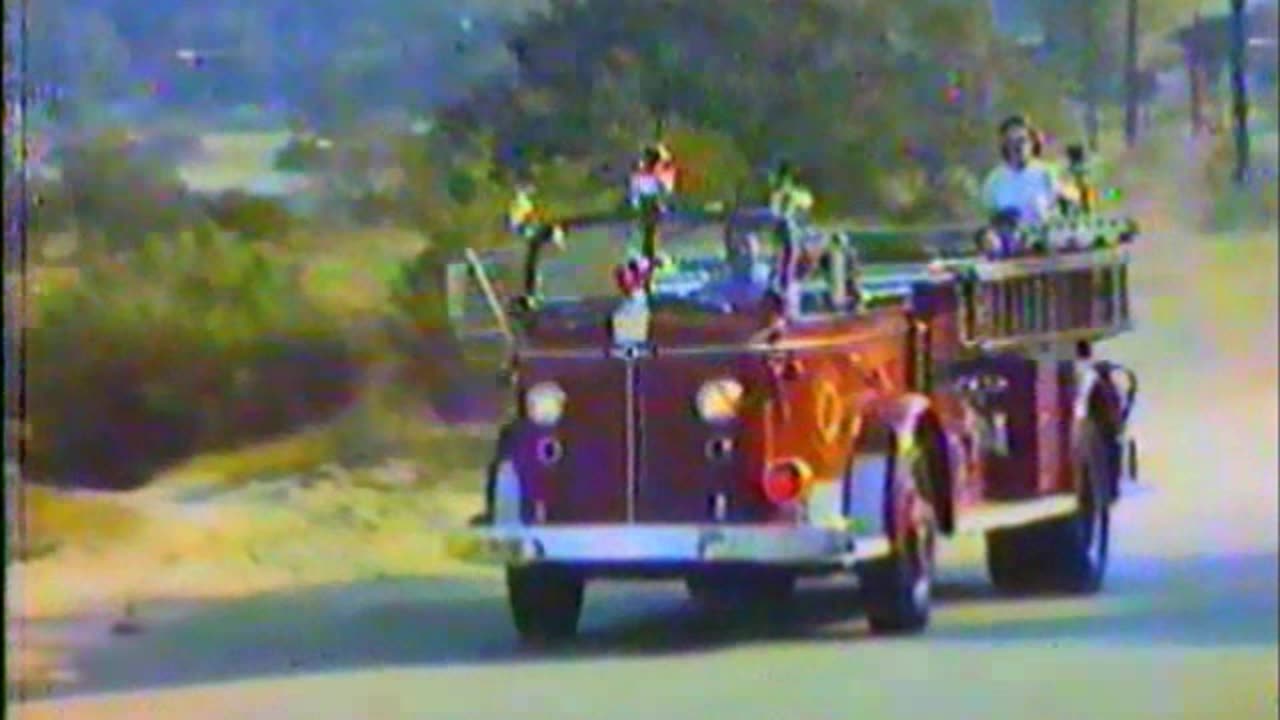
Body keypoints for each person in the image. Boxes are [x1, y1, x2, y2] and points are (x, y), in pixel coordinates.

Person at [980, 115, 1077, 226]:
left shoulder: (1048, 173)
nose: (1017, 146)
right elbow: (990, 220)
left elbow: (1072, 203)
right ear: (1005, 145)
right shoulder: (994, 181)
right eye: (1011, 141)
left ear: (1032, 141)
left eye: (1022, 140)